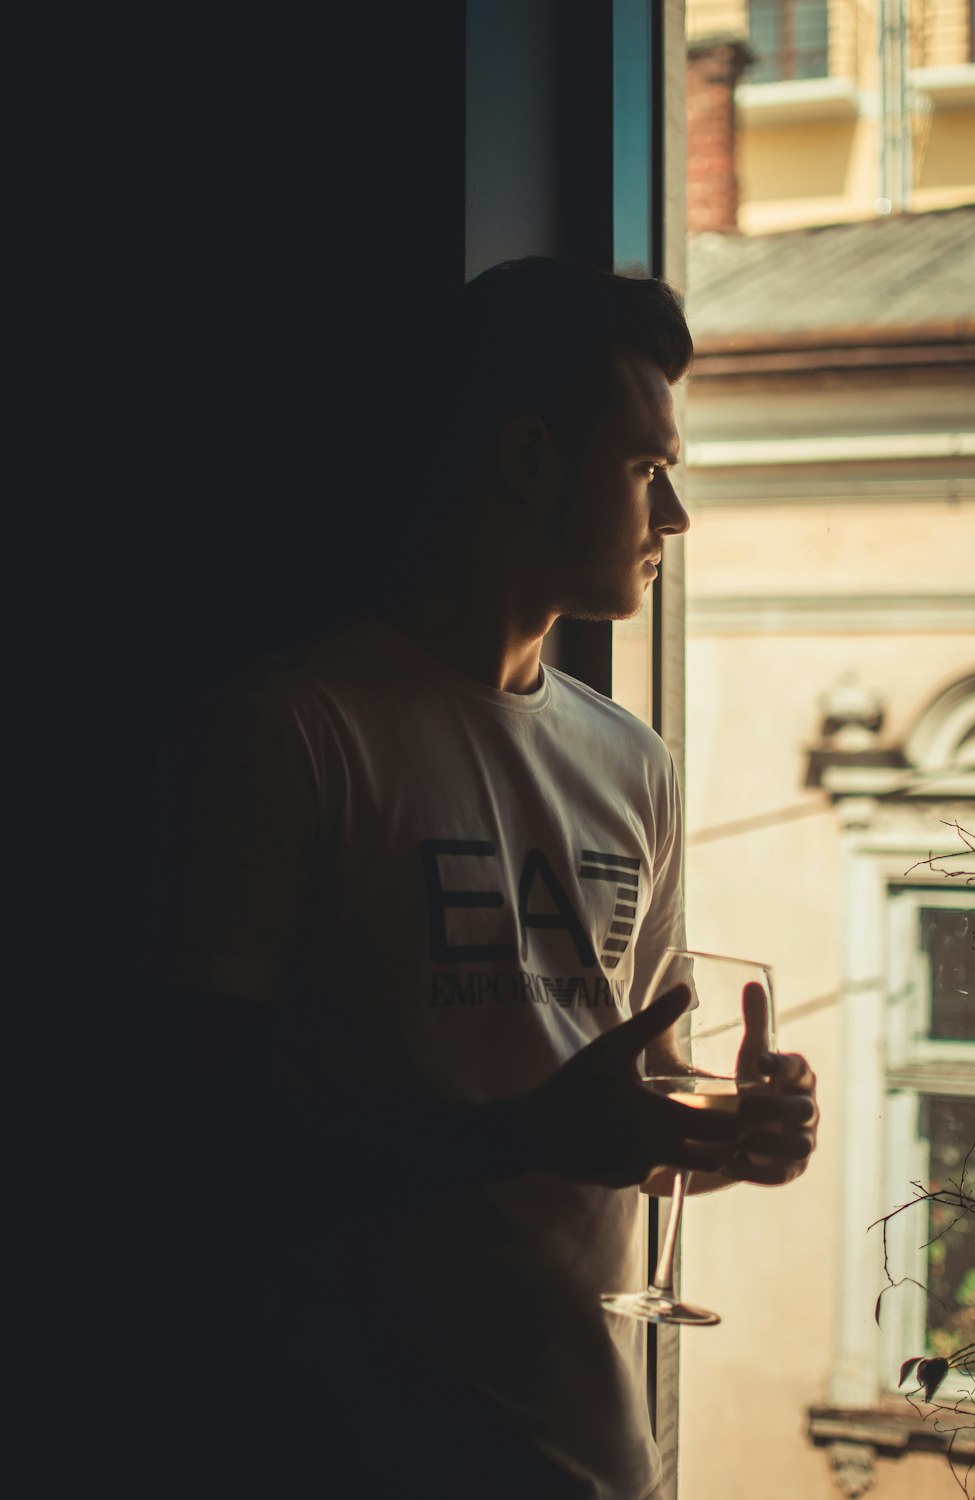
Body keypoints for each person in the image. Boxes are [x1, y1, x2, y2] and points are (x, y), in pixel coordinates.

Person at [133, 257, 818, 1499]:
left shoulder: (632, 764)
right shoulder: (294, 733)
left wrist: (736, 1135)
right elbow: (200, 1149)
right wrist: (532, 1133)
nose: (673, 518)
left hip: (609, 1463)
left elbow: (633, 1119)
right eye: (644, 468)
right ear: (525, 458)